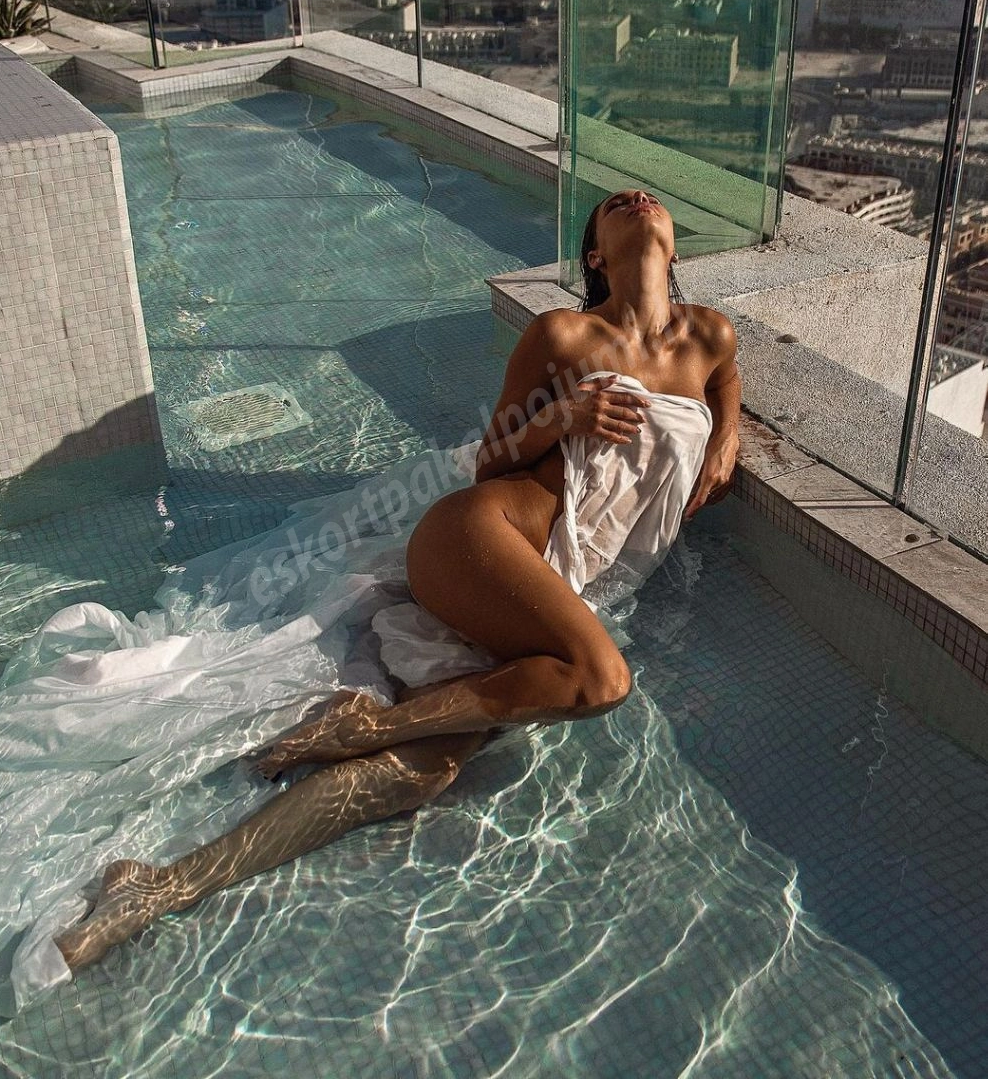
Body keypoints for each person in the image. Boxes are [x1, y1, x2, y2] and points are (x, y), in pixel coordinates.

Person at [54, 188, 740, 973]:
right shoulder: (564, 334)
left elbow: (724, 379)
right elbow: (491, 459)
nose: (637, 198)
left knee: (425, 770)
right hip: (483, 539)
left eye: (648, 201)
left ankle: (156, 887)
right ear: (595, 256)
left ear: (675, 246)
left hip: (549, 587)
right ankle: (365, 728)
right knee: (602, 678)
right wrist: (560, 420)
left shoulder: (710, 336)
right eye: (616, 204)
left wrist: (727, 435)